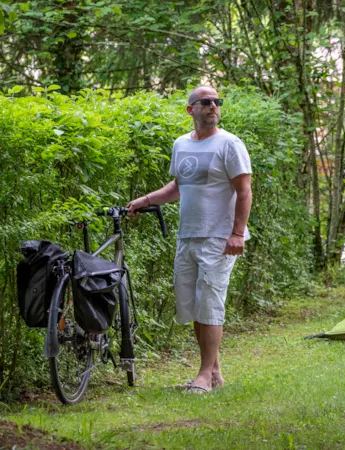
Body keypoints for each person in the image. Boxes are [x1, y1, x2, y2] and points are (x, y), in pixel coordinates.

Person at [127, 86, 252, 394]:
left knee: (209, 302)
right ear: (191, 109)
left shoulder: (230, 144)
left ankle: (203, 374)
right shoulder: (181, 144)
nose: (213, 106)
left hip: (219, 237)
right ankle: (215, 372)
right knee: (194, 305)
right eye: (205, 102)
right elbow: (179, 185)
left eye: (216, 102)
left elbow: (244, 190)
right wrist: (145, 200)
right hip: (188, 235)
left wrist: (237, 233)